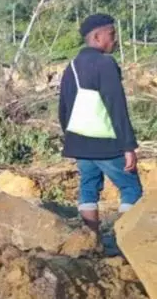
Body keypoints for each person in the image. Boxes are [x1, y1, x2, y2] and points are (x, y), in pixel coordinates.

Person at [58, 14, 143, 235]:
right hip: (107, 143)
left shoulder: (72, 66)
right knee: (131, 188)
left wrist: (72, 138)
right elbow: (116, 105)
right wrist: (128, 146)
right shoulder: (105, 63)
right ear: (97, 37)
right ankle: (124, 240)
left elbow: (63, 108)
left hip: (80, 141)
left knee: (88, 188)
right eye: (112, 34)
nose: (115, 40)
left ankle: (91, 240)